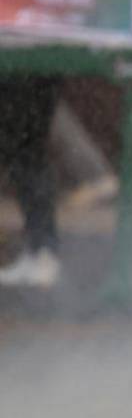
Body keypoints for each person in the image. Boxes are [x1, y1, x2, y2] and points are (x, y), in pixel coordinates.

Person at [0, 77, 62, 288]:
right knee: (26, 154)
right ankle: (40, 248)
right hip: (28, 70)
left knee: (26, 153)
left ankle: (43, 249)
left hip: (25, 71)